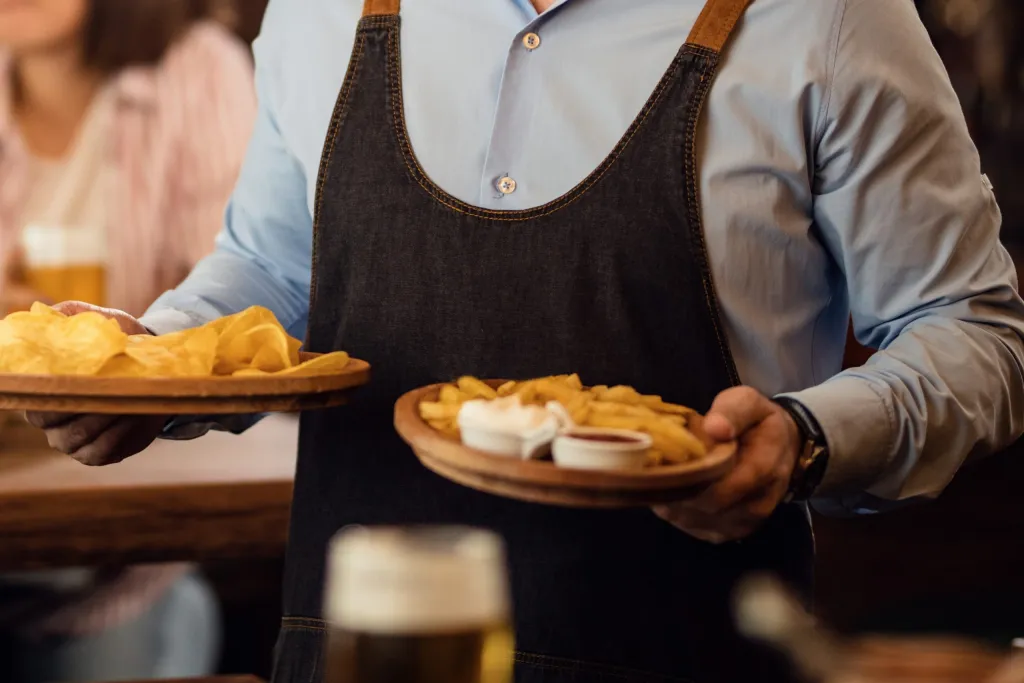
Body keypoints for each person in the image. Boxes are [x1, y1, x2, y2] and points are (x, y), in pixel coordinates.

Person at [23, 0, 1024, 681]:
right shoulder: (321, 10)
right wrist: (147, 364)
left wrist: (806, 436)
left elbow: (971, 330)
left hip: (686, 649)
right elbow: (278, 271)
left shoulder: (829, 19)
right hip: (361, 642)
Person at [0, 0, 255, 680]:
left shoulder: (199, 72)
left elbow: (237, 308)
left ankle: (176, 616)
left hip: (110, 533)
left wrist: (74, 337)